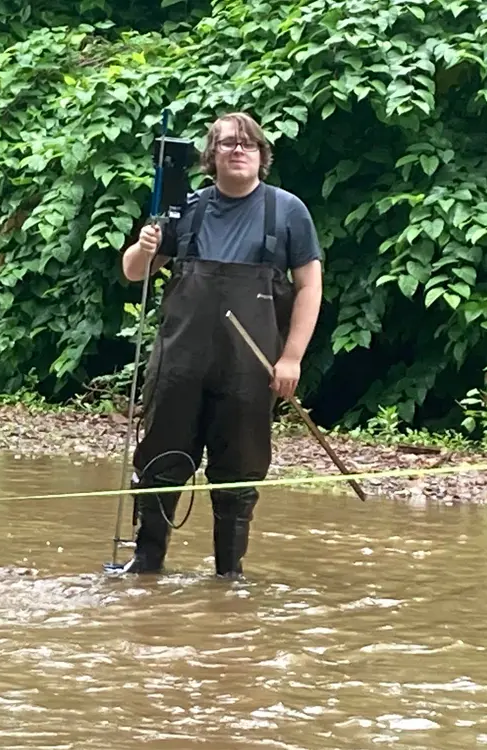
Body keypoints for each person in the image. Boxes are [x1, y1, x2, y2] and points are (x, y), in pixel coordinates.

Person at [116, 111, 324, 578]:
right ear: (211, 156)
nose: (238, 151)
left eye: (248, 144)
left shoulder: (288, 211)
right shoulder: (182, 208)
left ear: (261, 155)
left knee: (239, 472)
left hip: (249, 372)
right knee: (161, 465)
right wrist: (145, 247)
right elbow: (134, 272)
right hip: (179, 366)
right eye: (228, 143)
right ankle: (146, 567)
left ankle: (229, 576)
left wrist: (291, 357)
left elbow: (310, 286)